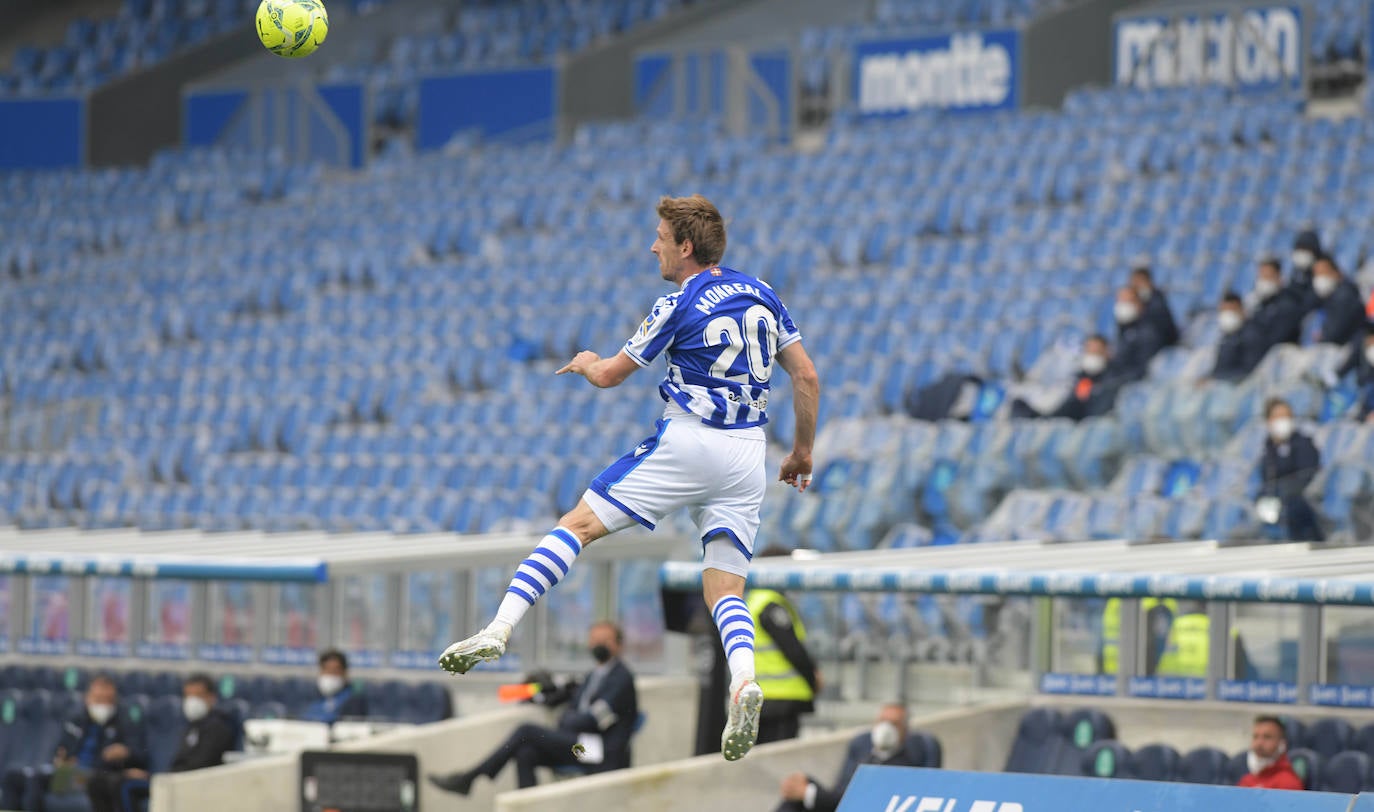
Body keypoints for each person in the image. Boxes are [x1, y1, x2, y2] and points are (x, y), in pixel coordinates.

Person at [437, 194, 821, 763]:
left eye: (660, 237)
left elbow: (613, 375)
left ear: (685, 247)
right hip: (749, 454)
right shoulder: (764, 293)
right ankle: (744, 679)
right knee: (726, 587)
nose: (653, 246)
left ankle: (499, 625)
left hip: (689, 438)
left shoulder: (676, 301)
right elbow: (807, 376)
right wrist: (802, 453)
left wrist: (589, 360)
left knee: (578, 525)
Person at [427, 621, 638, 794]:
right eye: (595, 640)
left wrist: (567, 720)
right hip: (579, 744)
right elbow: (573, 709)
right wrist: (566, 717)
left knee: (526, 730)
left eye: (605, 640)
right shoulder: (593, 676)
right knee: (526, 753)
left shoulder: (621, 678)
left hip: (602, 752)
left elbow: (592, 719)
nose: (598, 644)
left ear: (618, 645)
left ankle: (470, 778)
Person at [86, 673, 238, 812]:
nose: (192, 702)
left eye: (198, 696)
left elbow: (200, 764)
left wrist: (159, 777)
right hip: (167, 779)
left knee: (123, 785)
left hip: (189, 783)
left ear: (212, 698)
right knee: (98, 782)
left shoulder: (219, 727)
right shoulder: (190, 725)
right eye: (188, 696)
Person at [1, 675, 146, 812]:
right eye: (98, 699)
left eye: (107, 700)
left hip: (95, 777)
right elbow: (60, 749)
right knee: (18, 777)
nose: (102, 704)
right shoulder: (76, 720)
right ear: (88, 698)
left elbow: (139, 757)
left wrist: (125, 753)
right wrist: (61, 760)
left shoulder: (125, 723)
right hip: (70, 774)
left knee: (37, 782)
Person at [773, 704, 925, 812]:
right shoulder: (862, 750)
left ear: (905, 730)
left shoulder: (907, 762)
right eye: (882, 721)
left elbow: (860, 800)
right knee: (796, 795)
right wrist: (807, 785)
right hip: (840, 803)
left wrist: (809, 793)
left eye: (893, 724)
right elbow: (841, 790)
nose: (885, 728)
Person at [747, 547, 819, 745]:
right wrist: (813, 678)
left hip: (761, 697)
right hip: (781, 698)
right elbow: (793, 650)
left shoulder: (754, 600)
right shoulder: (771, 604)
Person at [1257, 398, 1324, 542]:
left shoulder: (1304, 443)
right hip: (1275, 499)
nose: (1283, 421)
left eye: (1286, 416)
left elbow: (1307, 475)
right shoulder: (1267, 449)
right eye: (1278, 417)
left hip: (1300, 500)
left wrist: (1284, 489)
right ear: (1269, 422)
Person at [1110, 286, 1164, 383]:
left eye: (1128, 301)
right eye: (1120, 301)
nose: (1123, 306)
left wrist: (1114, 381)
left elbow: (1144, 368)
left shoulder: (1148, 331)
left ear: (1139, 304)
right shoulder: (1123, 329)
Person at [1249, 257, 1305, 352]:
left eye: (1268, 276)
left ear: (1279, 277)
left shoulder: (1288, 305)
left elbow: (1275, 340)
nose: (1264, 281)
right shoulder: (1261, 305)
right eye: (1261, 277)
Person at [1311, 256, 1367, 346]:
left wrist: (1322, 337)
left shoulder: (1344, 297)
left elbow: (1333, 335)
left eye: (1323, 273)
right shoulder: (1328, 297)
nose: (1319, 278)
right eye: (1316, 274)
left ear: (1336, 273)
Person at [300, 649, 368, 724]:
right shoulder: (310, 696)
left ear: (344, 672)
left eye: (335, 671)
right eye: (327, 670)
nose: (331, 675)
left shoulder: (354, 698)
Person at [1237, 715, 1303, 790]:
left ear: (1282, 744)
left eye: (1267, 737)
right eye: (1255, 737)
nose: (1259, 743)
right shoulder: (1246, 780)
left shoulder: (1287, 782)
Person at [1211, 292, 1265, 382]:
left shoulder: (1252, 334)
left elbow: (1250, 371)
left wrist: (1216, 379)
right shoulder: (1227, 336)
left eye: (1231, 310)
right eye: (1223, 311)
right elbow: (1219, 367)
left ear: (1241, 310)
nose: (1226, 315)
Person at [1129, 265, 1179, 347]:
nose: (1137, 287)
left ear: (1149, 282)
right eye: (1134, 284)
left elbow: (1162, 329)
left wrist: (1141, 310)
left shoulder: (1158, 302)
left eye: (1140, 282)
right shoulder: (1133, 305)